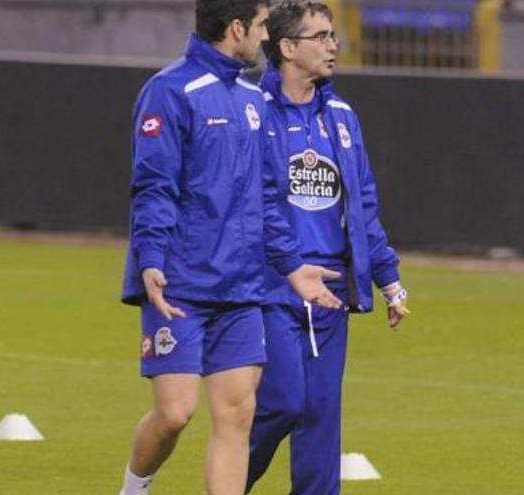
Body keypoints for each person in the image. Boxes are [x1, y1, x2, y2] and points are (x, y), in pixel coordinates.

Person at [118, 1, 343, 494]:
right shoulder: (169, 91)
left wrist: (290, 267)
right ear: (236, 28)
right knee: (175, 414)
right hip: (180, 284)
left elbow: (267, 196)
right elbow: (154, 186)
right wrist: (150, 261)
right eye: (261, 27)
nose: (265, 39)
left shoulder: (253, 100)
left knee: (237, 415)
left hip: (242, 289)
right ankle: (134, 488)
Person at [245, 1, 409, 493]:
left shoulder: (341, 116)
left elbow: (362, 206)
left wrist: (388, 276)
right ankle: (226, 481)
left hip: (332, 291)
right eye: (320, 37)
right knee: (283, 402)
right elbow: (258, 203)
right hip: (274, 284)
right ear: (288, 48)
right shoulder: (254, 112)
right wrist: (290, 264)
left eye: (334, 35)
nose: (333, 45)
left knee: (320, 418)